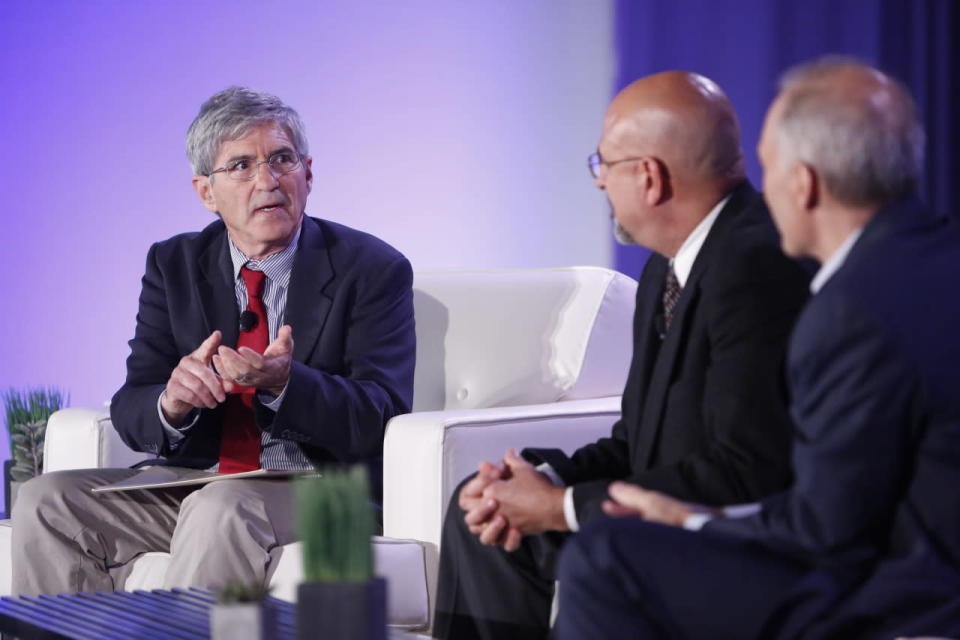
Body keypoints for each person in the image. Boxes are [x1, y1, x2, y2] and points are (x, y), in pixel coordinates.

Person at [554, 59, 960, 640]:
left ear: (804, 183)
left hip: (904, 595)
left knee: (606, 558)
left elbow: (825, 537)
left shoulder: (851, 311)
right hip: (909, 562)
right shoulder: (933, 259)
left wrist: (695, 523)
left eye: (767, 169)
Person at [432, 71, 811, 639]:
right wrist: (539, 476)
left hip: (732, 542)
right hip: (656, 515)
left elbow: (747, 470)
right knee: (480, 511)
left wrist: (561, 505)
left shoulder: (758, 267)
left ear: (649, 177)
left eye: (602, 166)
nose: (600, 183)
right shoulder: (665, 265)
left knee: (566, 538)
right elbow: (640, 444)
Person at [12, 87, 416, 595]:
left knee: (220, 508)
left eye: (282, 159)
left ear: (308, 173)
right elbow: (134, 402)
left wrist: (286, 384)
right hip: (194, 482)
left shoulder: (372, 269)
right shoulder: (174, 265)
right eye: (242, 166)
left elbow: (381, 414)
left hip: (319, 489)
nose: (267, 181)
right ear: (206, 192)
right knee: (47, 500)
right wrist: (172, 402)